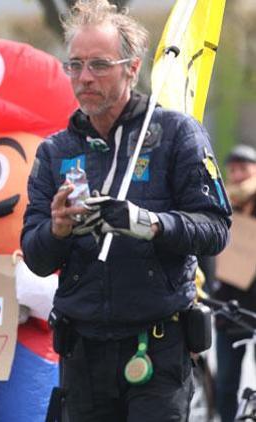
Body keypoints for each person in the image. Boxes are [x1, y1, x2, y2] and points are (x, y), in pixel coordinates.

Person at [20, 1, 232, 420]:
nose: (84, 78)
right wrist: (57, 230)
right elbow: (35, 256)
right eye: (75, 65)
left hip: (156, 346)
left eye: (99, 65)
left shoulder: (175, 133)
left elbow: (216, 227)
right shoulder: (55, 150)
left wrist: (151, 223)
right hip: (82, 353)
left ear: (132, 68)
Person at [214, 144, 256, 422]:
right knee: (226, 382)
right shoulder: (220, 205)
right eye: (233, 169)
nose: (238, 175)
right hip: (227, 307)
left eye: (245, 168)